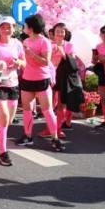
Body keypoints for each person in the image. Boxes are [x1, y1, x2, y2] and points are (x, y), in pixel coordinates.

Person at [15, 14, 65, 152]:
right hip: (27, 79)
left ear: (31, 27)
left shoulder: (44, 42)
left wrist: (31, 54)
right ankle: (27, 136)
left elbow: (45, 61)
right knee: (27, 110)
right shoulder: (25, 42)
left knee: (47, 110)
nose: (24, 27)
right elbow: (24, 61)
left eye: (25, 25)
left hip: (42, 79)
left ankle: (55, 138)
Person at [0, 16, 26, 166]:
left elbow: (24, 62)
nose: (6, 29)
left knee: (9, 119)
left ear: (14, 28)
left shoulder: (17, 44)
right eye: (3, 27)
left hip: (13, 84)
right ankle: (3, 152)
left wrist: (18, 62)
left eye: (9, 27)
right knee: (5, 117)